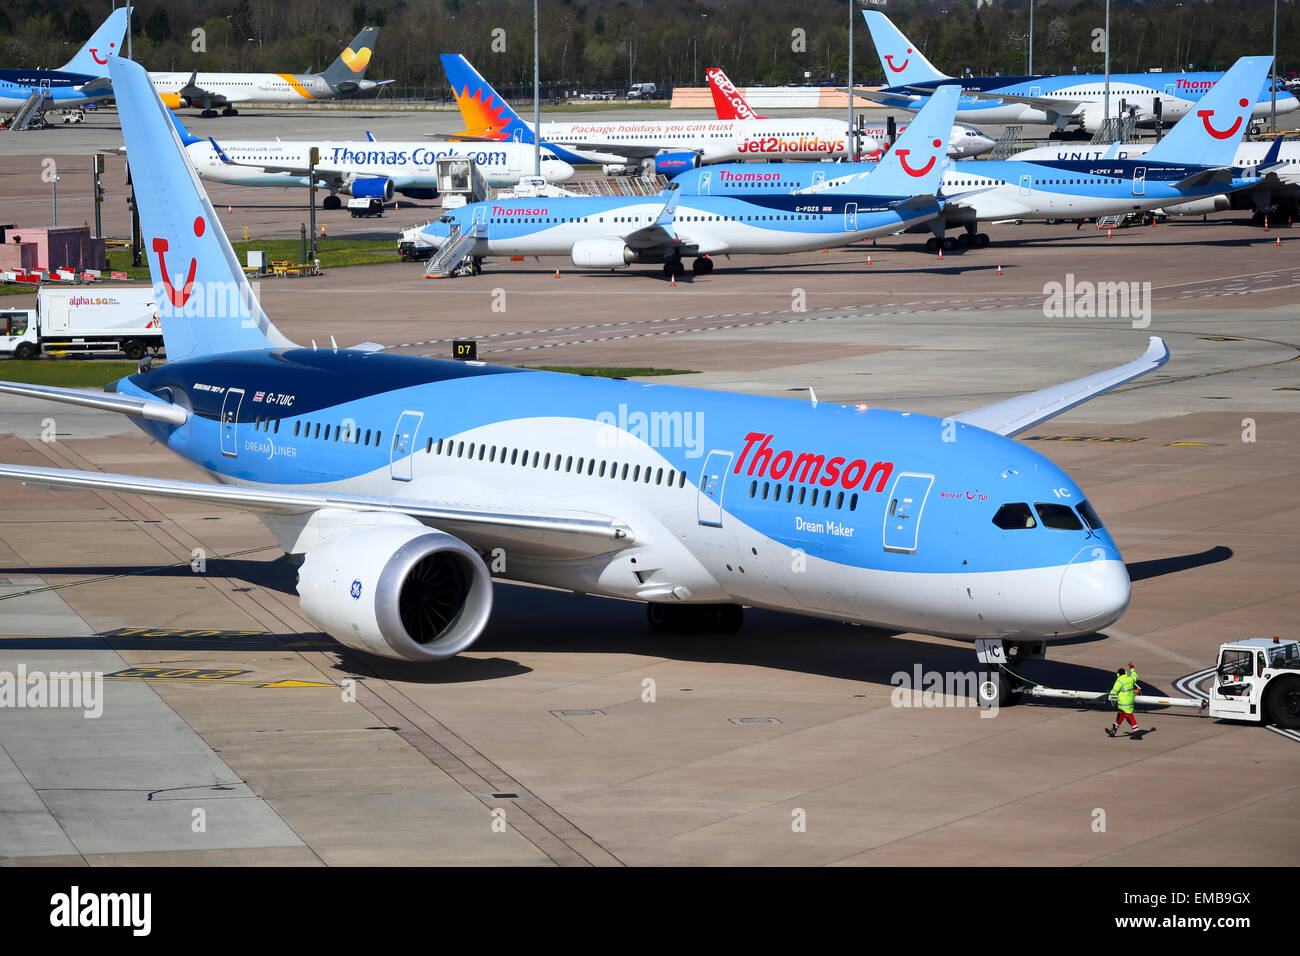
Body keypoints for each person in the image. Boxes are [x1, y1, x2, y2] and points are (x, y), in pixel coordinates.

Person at [1105, 663, 1141, 738]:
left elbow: (1114, 692)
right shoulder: (1130, 679)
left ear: (1118, 675)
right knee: (1121, 716)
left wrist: (1110, 692)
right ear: (1125, 673)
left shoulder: (1119, 681)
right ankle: (1113, 731)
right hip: (1130, 703)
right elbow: (1135, 676)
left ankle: (1137, 733)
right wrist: (1132, 668)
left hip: (1123, 704)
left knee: (1130, 717)